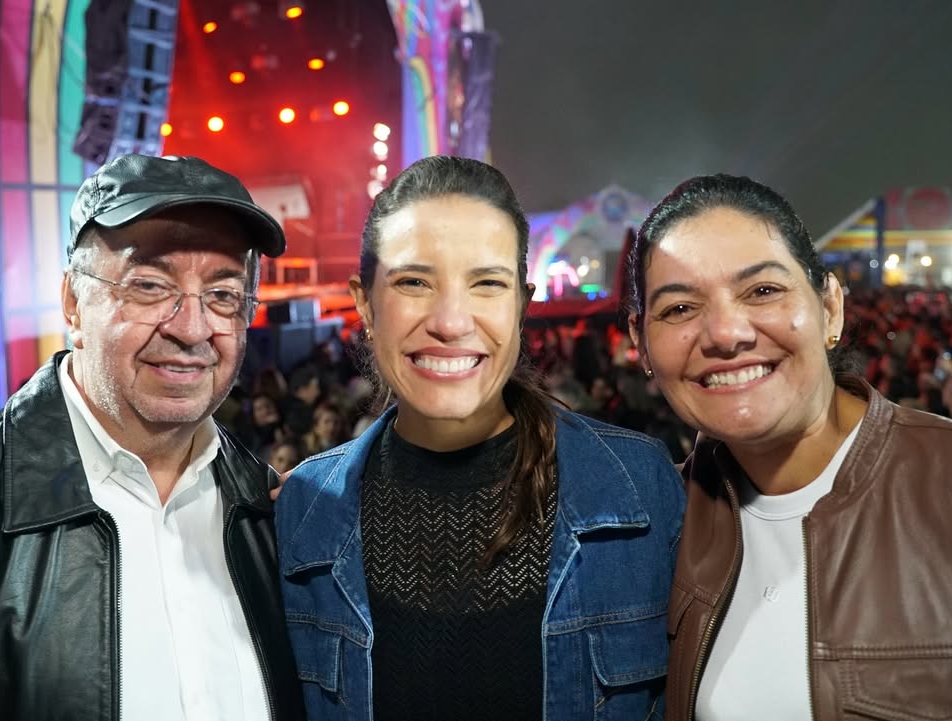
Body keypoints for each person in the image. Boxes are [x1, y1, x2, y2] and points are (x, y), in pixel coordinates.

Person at [275, 156, 685, 721]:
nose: (450, 320)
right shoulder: (302, 508)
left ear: (522, 304)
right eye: (414, 282)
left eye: (487, 283)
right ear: (366, 303)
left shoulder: (641, 486)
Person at [0, 154, 306, 721]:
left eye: (223, 296)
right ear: (73, 303)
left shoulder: (280, 516)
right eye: (148, 285)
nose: (191, 328)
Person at [624, 173, 952, 721]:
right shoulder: (643, 532)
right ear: (640, 344)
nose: (725, 333)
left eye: (762, 291)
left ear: (830, 308)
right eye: (679, 309)